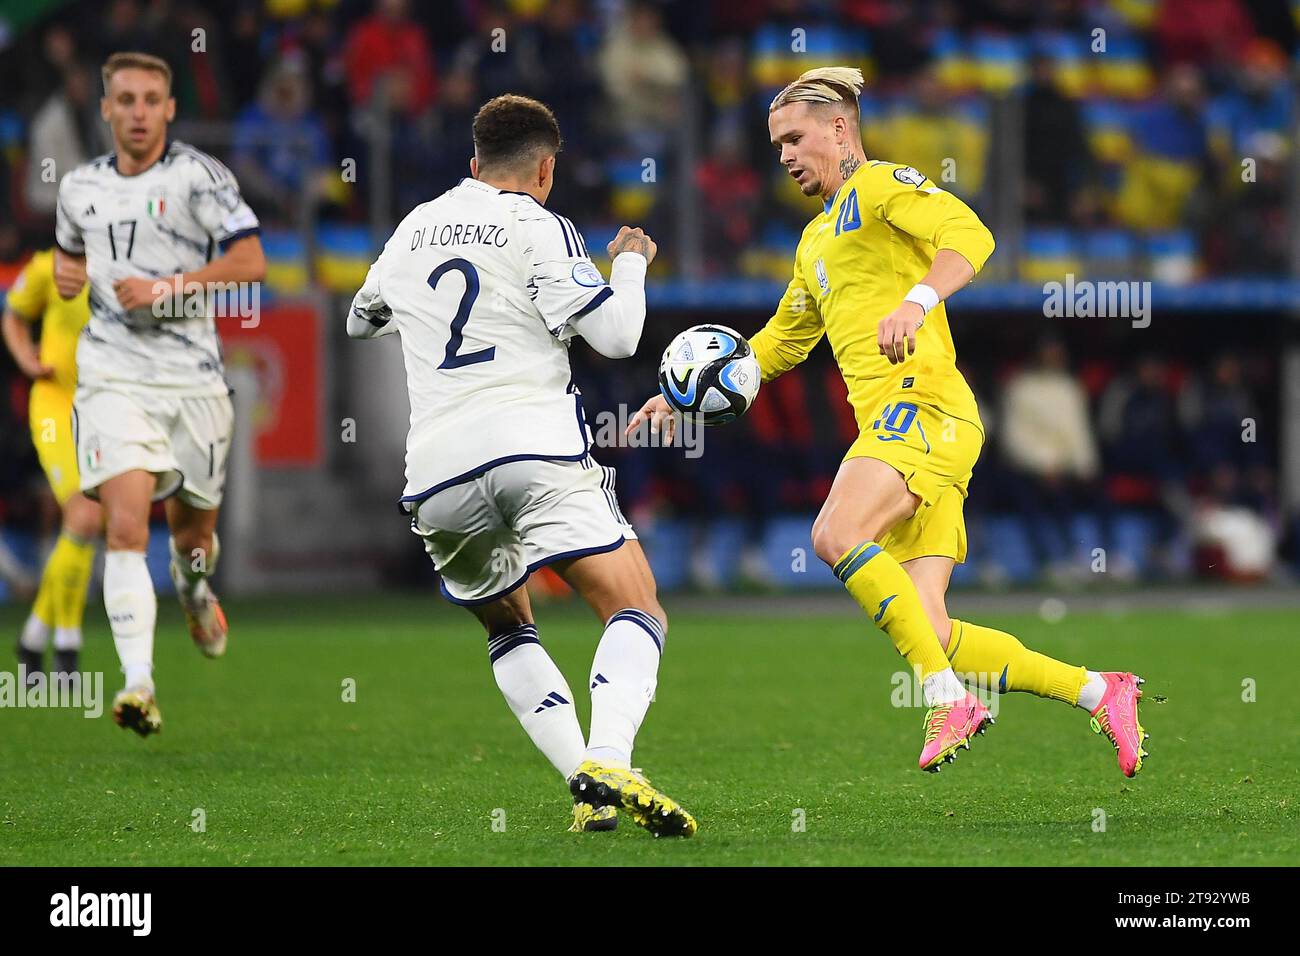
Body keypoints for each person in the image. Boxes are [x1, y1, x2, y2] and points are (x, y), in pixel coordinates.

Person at [631, 68, 1149, 777]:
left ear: (840, 128)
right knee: (931, 628)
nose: (783, 155)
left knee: (835, 534)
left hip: (923, 405)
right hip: (909, 427)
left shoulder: (879, 187)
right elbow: (783, 340)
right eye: (775, 143)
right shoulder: (814, 242)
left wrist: (917, 301)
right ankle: (1100, 691)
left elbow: (969, 233)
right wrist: (686, 393)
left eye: (794, 137)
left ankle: (947, 699)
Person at [348, 94, 696, 835]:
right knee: (636, 605)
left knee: (508, 629)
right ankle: (607, 756)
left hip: (437, 473)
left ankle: (587, 790)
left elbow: (359, 318)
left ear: (472, 164)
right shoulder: (540, 225)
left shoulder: (412, 228)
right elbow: (616, 339)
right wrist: (628, 268)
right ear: (545, 169)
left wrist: (408, 313)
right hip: (532, 447)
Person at [53, 51, 267, 736]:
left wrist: (167, 288)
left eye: (151, 100)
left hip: (194, 380)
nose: (139, 112)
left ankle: (192, 587)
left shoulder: (198, 177)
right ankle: (138, 684)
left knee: (193, 536)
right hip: (114, 373)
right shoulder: (78, 187)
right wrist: (67, 273)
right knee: (124, 523)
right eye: (126, 100)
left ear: (170, 109)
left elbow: (251, 261)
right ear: (106, 109)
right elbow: (70, 253)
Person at [2, 249, 101, 682]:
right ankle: (67, 646)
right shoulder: (45, 268)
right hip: (55, 405)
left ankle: (33, 636)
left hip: (102, 409)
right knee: (84, 513)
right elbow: (13, 315)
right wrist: (26, 359)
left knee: (86, 523)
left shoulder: (124, 266)